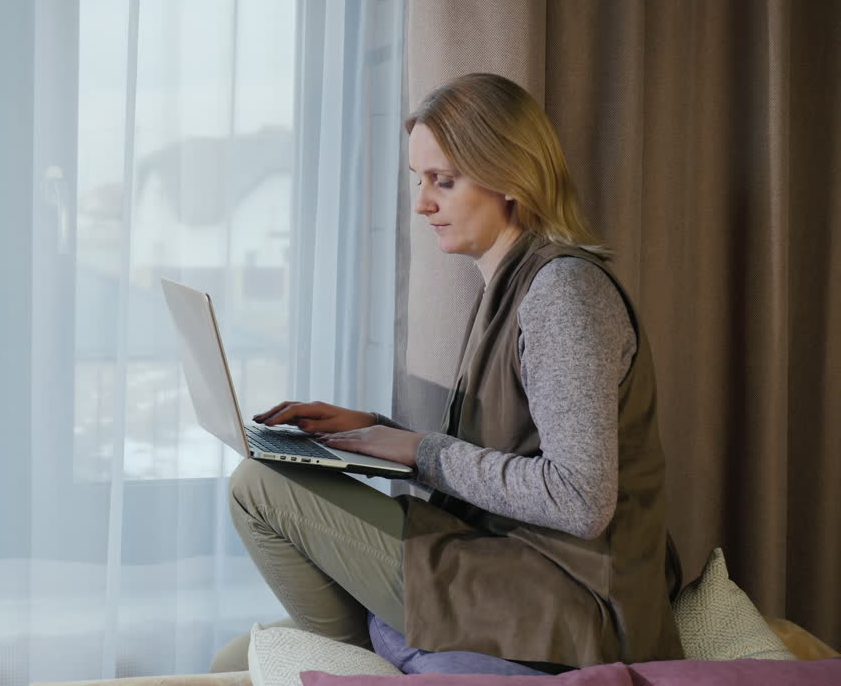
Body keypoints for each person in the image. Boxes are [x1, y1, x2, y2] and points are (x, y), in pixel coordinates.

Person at [227, 73, 683, 674]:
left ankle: (359, 657)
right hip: (512, 565)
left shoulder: (563, 294)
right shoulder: (512, 283)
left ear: (511, 178)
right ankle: (365, 652)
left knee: (258, 486)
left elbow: (580, 501)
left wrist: (420, 450)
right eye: (419, 181)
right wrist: (375, 432)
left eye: (443, 181)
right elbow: (513, 454)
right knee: (270, 487)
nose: (421, 203)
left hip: (572, 601)